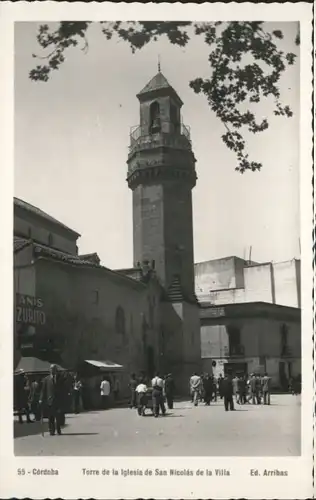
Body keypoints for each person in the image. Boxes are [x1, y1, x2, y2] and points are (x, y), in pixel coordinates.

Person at [39, 364, 64, 436]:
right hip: (50, 401)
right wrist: (41, 399)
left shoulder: (60, 378)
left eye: (54, 369)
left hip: (58, 400)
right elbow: (43, 390)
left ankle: (58, 430)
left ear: (56, 370)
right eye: (51, 369)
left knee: (58, 416)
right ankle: (51, 430)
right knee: (51, 417)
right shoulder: (46, 379)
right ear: (50, 370)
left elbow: (63, 389)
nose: (53, 370)